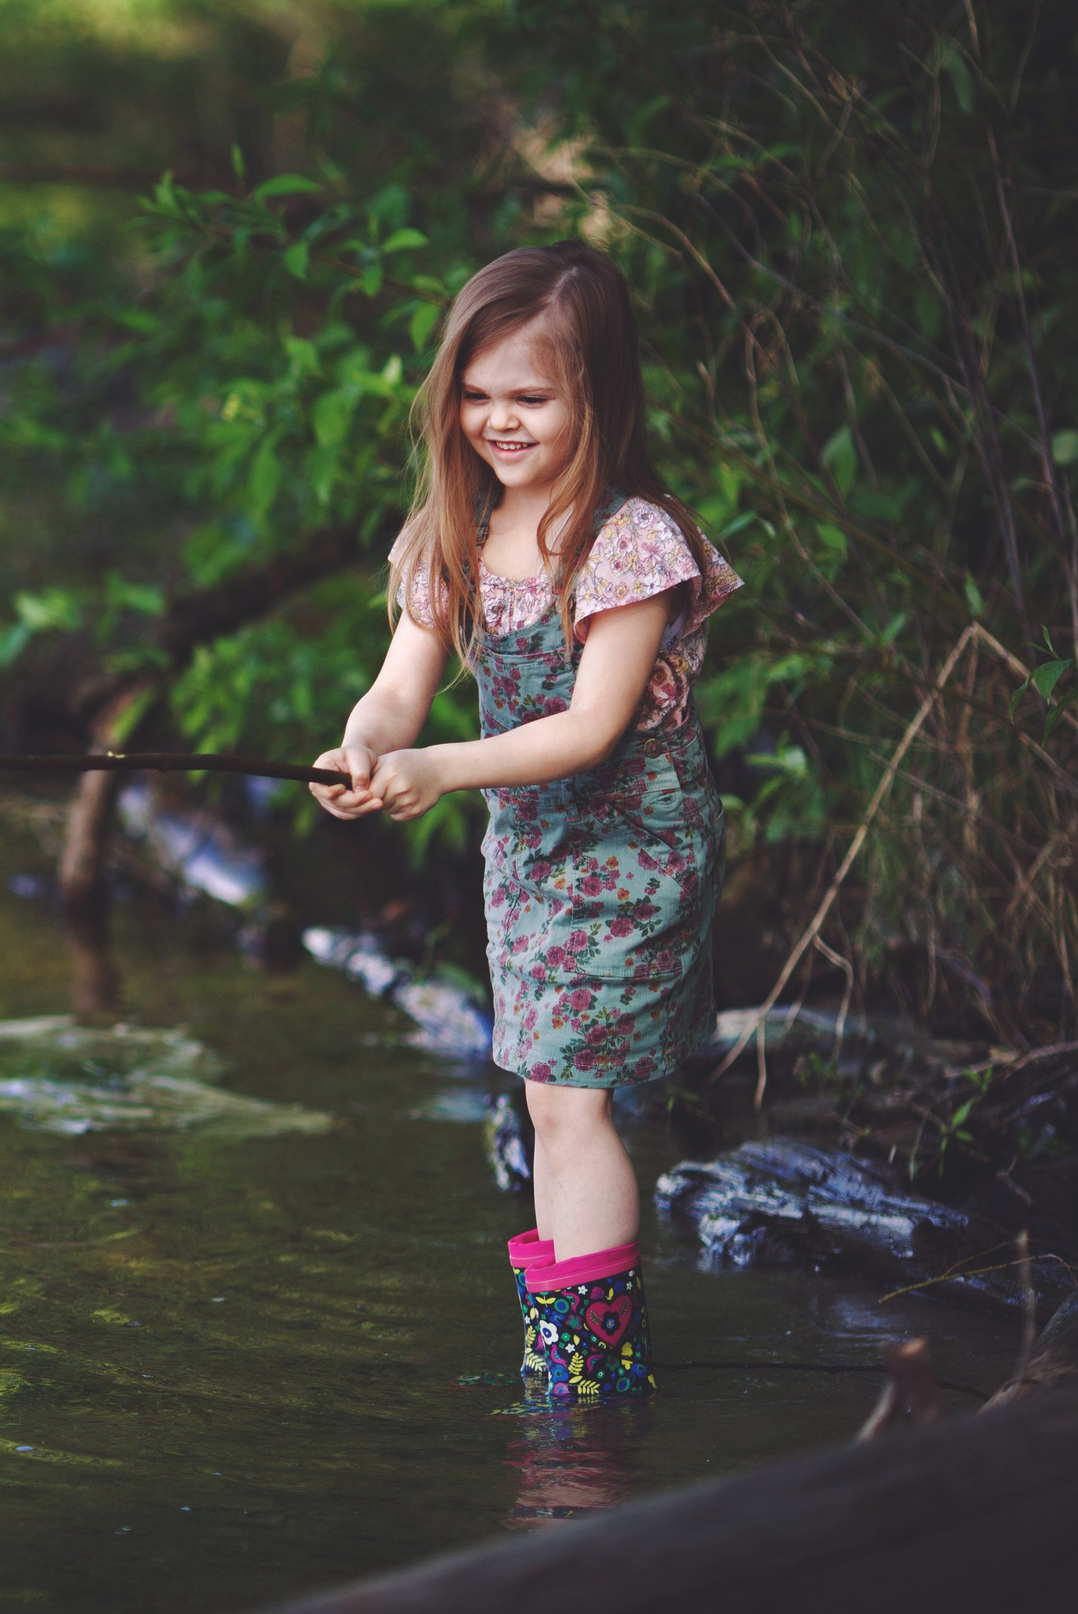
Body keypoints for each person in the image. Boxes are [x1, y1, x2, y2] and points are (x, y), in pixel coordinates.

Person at [309, 241, 740, 1402]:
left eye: (530, 397)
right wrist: (365, 743)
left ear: (595, 395)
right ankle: (571, 1359)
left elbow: (591, 726)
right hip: (531, 852)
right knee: (545, 1092)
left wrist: (439, 767)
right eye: (477, 393)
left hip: (630, 848)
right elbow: (399, 686)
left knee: (566, 1092)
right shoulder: (453, 526)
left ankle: (584, 1370)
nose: (497, 421)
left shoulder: (629, 540)